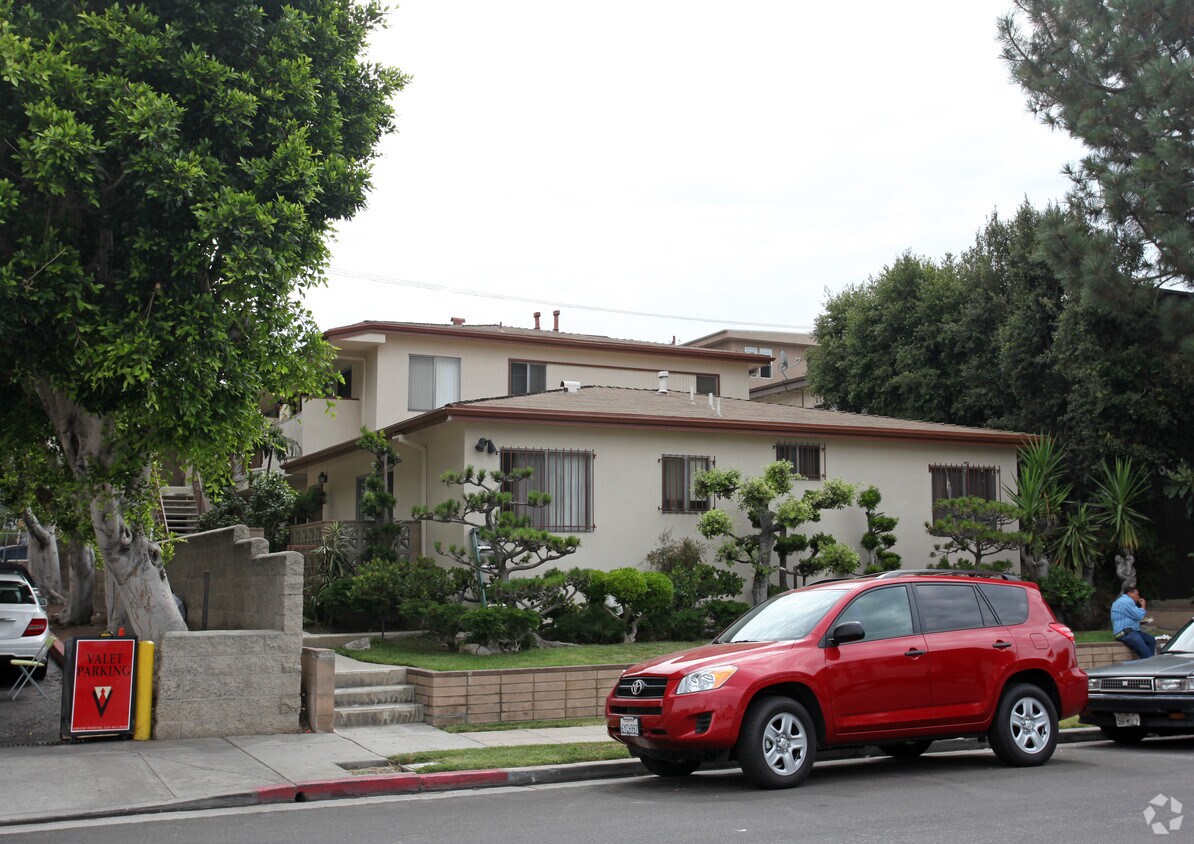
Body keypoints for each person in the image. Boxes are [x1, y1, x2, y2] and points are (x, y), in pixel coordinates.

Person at [1111, 586, 1156, 659]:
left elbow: (1132, 616)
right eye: (1136, 594)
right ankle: (1148, 662)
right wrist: (1143, 605)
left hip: (1131, 631)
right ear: (1129, 594)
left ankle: (1148, 661)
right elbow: (1139, 616)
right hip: (1125, 632)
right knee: (1146, 655)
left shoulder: (1122, 601)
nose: (1138, 597)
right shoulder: (1127, 601)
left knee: (1151, 640)